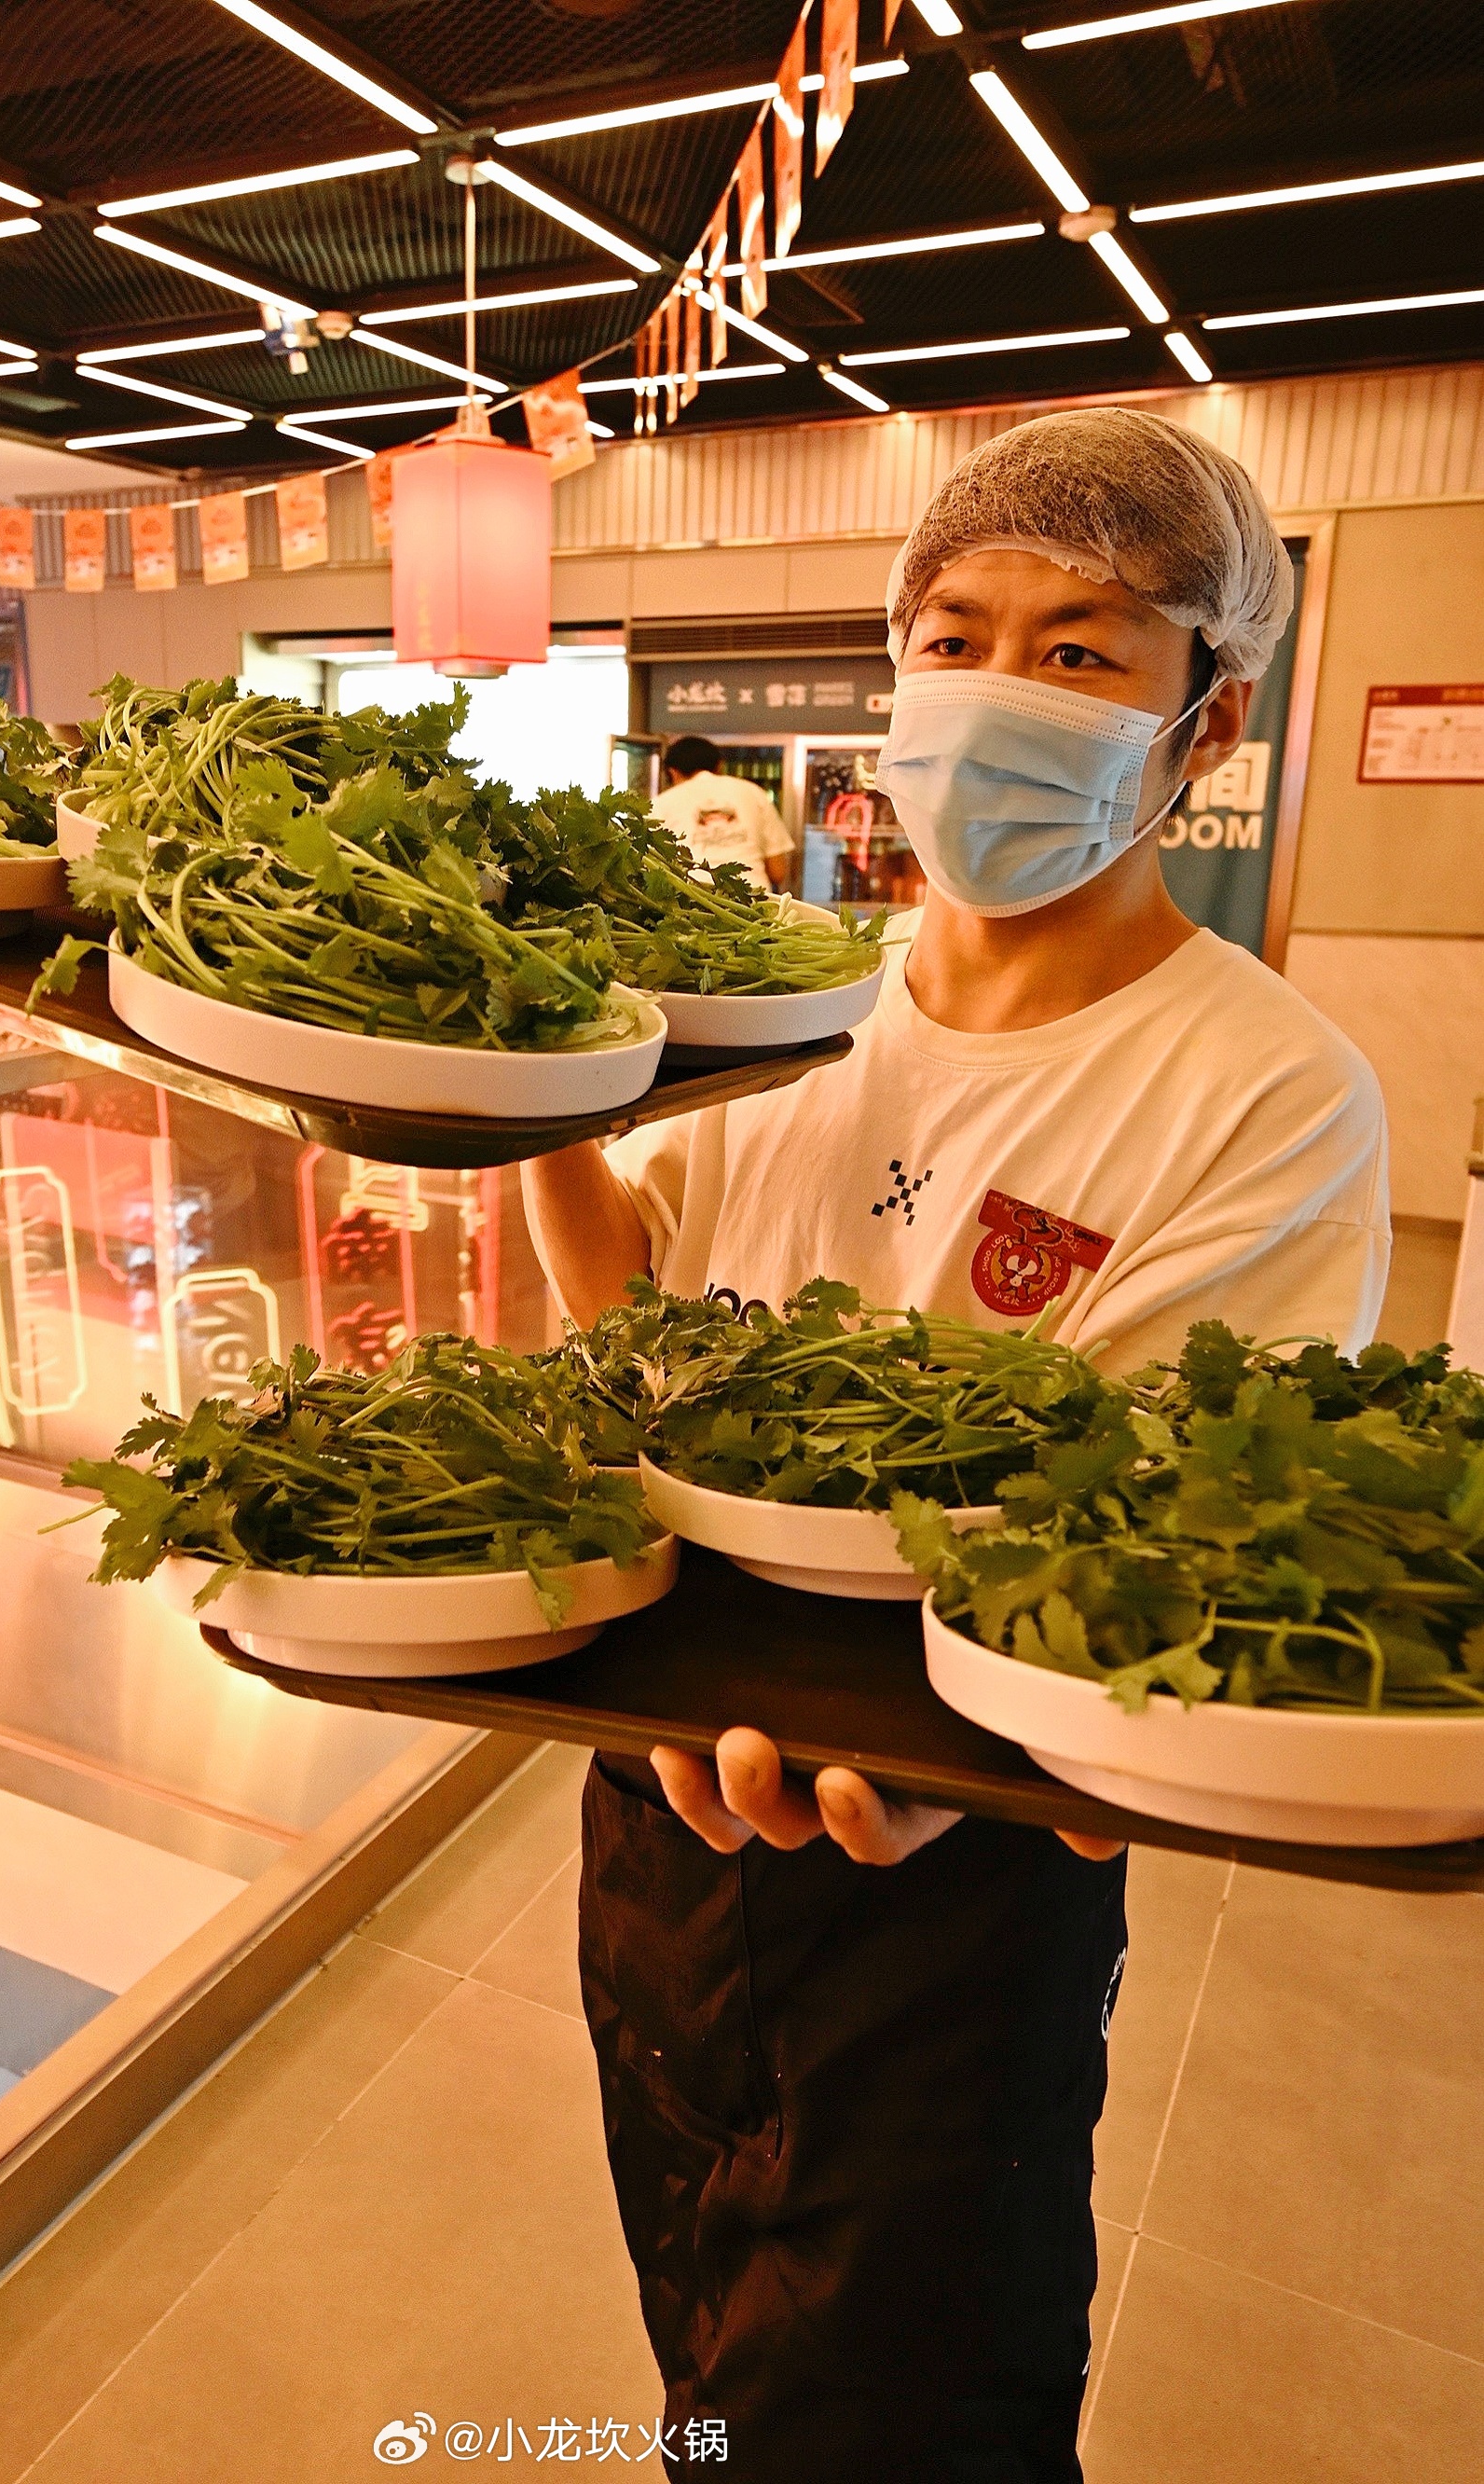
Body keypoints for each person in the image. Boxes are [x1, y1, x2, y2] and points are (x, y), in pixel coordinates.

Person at [523, 407, 1388, 2483]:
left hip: (952, 1837)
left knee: (910, 2401)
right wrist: (525, 1098)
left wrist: (958, 1774)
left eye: (1084, 651)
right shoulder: (785, 1000)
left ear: (1209, 716)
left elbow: (1176, 1537)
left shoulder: (1262, 1087)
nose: (999, 690)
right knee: (701, 2319)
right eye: (954, 633)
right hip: (660, 1784)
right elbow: (645, 1320)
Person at [652, 735, 795, 892]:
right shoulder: (754, 793)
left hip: (691, 903)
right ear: (719, 766)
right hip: (755, 901)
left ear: (673, 773)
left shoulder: (661, 804)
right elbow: (778, 871)